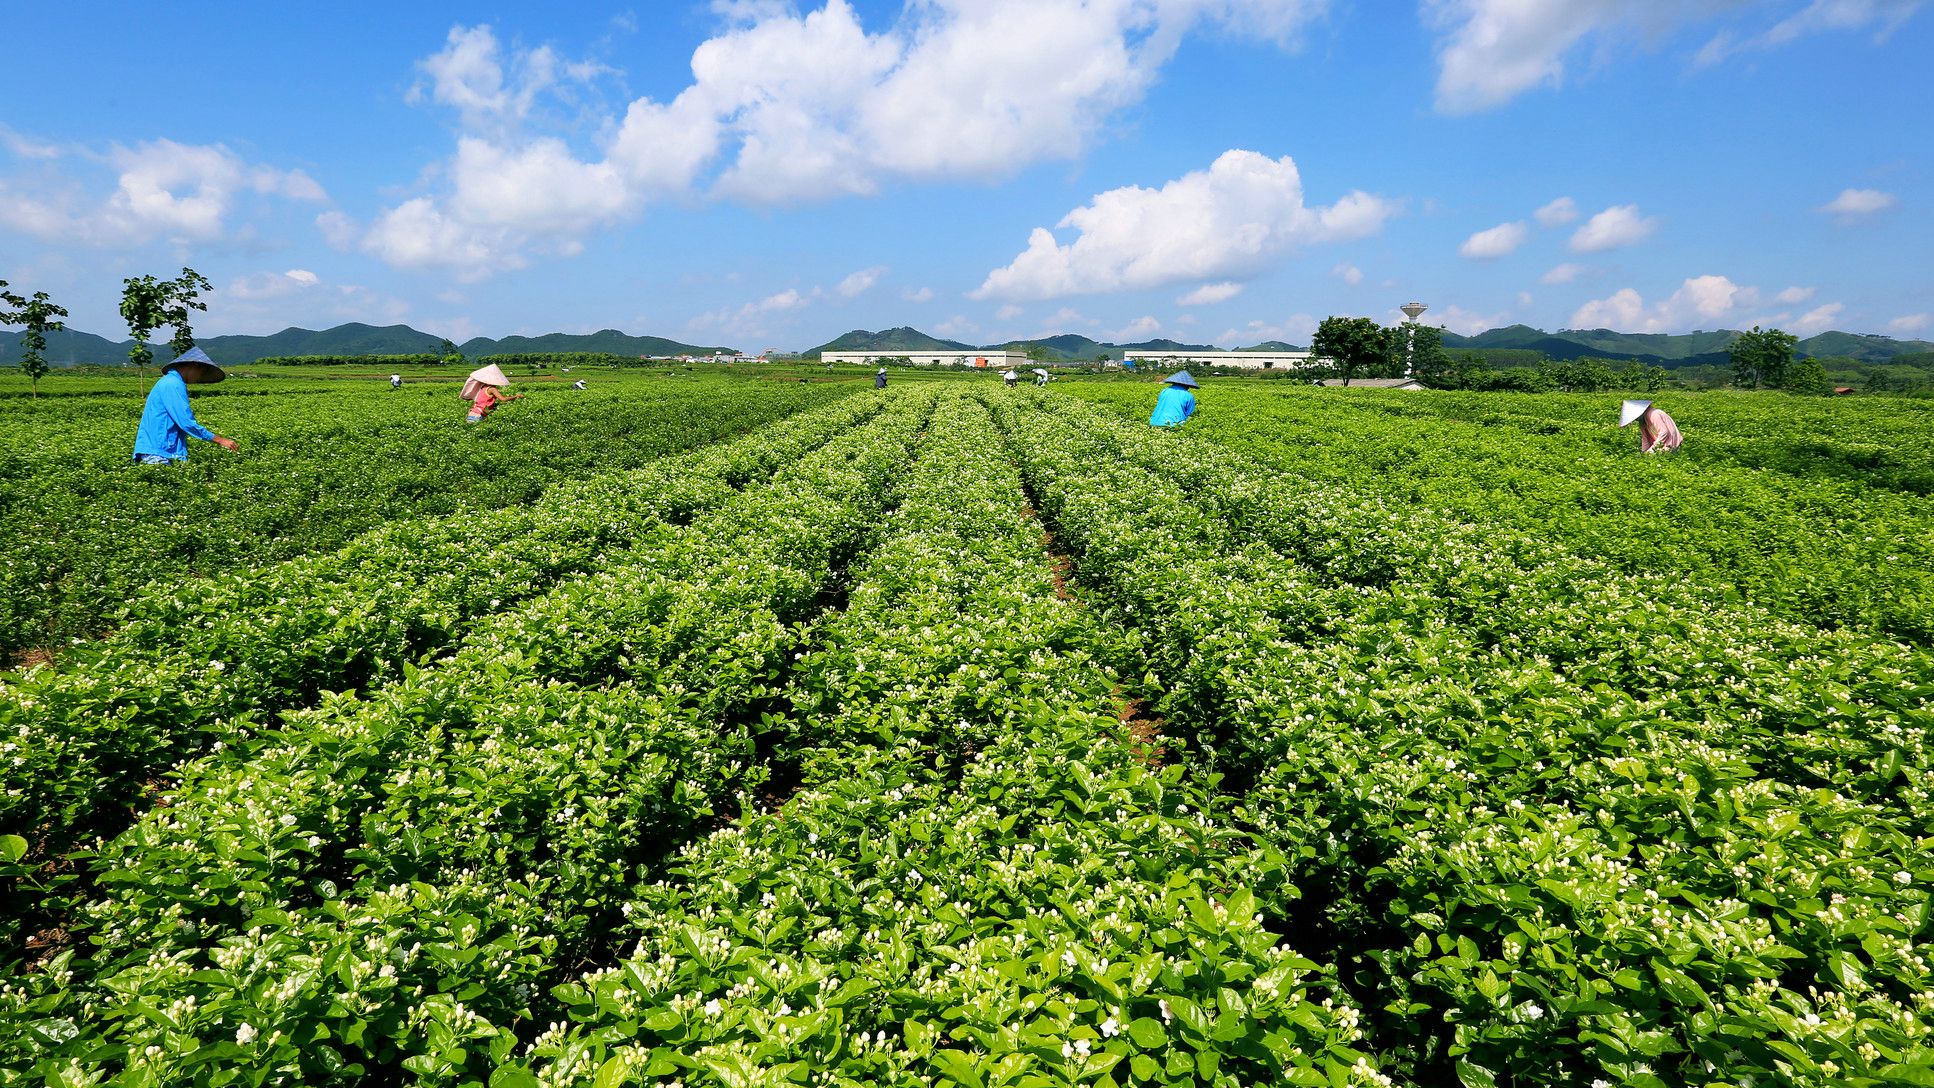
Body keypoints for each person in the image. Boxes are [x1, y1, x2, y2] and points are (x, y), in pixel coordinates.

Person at [131, 347, 240, 464]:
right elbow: (186, 422)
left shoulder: (169, 381)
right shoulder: (173, 384)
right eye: (201, 374)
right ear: (194, 366)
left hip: (158, 450)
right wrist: (219, 440)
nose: (198, 378)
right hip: (158, 452)